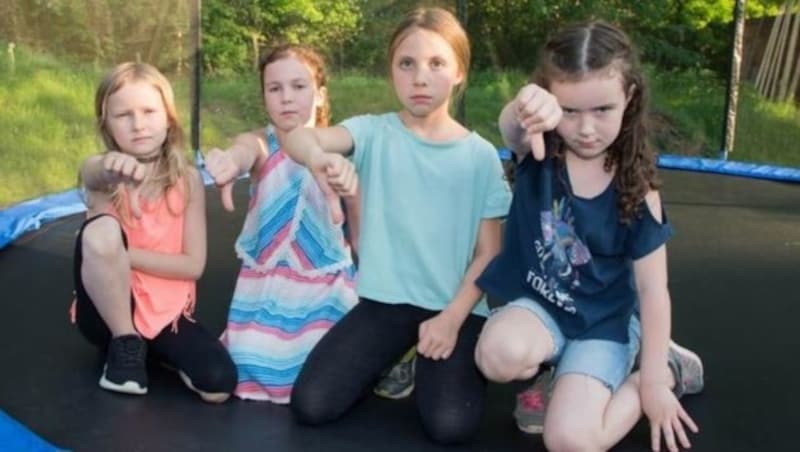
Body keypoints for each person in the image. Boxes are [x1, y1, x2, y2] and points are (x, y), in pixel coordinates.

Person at [280, 7, 552, 444]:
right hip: (385, 303)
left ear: (459, 72)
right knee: (312, 405)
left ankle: (427, 355)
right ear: (391, 71)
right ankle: (399, 355)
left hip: (453, 307)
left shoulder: (479, 156)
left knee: (449, 425)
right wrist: (319, 158)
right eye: (407, 64)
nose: (420, 78)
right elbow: (297, 137)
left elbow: (490, 252)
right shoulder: (370, 133)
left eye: (436, 64)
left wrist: (451, 319)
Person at [474, 21, 703, 452]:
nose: (585, 129)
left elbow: (654, 291)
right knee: (496, 355)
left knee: (570, 440)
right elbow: (511, 129)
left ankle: (664, 367)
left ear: (629, 99)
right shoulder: (540, 150)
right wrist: (524, 105)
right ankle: (556, 373)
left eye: (602, 110)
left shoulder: (637, 190)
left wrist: (652, 383)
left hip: (604, 325)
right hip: (545, 311)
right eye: (570, 111)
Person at [71, 62, 236, 402]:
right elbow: (91, 173)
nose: (138, 124)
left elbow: (193, 266)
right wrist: (107, 168)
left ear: (169, 118)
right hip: (104, 311)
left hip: (165, 311)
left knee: (218, 386)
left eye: (148, 111)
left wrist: (124, 256)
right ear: (107, 125)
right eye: (124, 115)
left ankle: (151, 348)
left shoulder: (187, 179)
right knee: (100, 231)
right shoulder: (104, 174)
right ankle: (126, 342)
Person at [204, 44, 359, 404]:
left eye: (298, 87)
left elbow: (359, 219)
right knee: (251, 364)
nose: (287, 98)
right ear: (264, 97)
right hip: (266, 288)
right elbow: (244, 150)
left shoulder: (340, 148)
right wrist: (230, 160)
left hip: (326, 286)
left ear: (320, 95)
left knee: (320, 373)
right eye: (275, 89)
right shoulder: (262, 142)